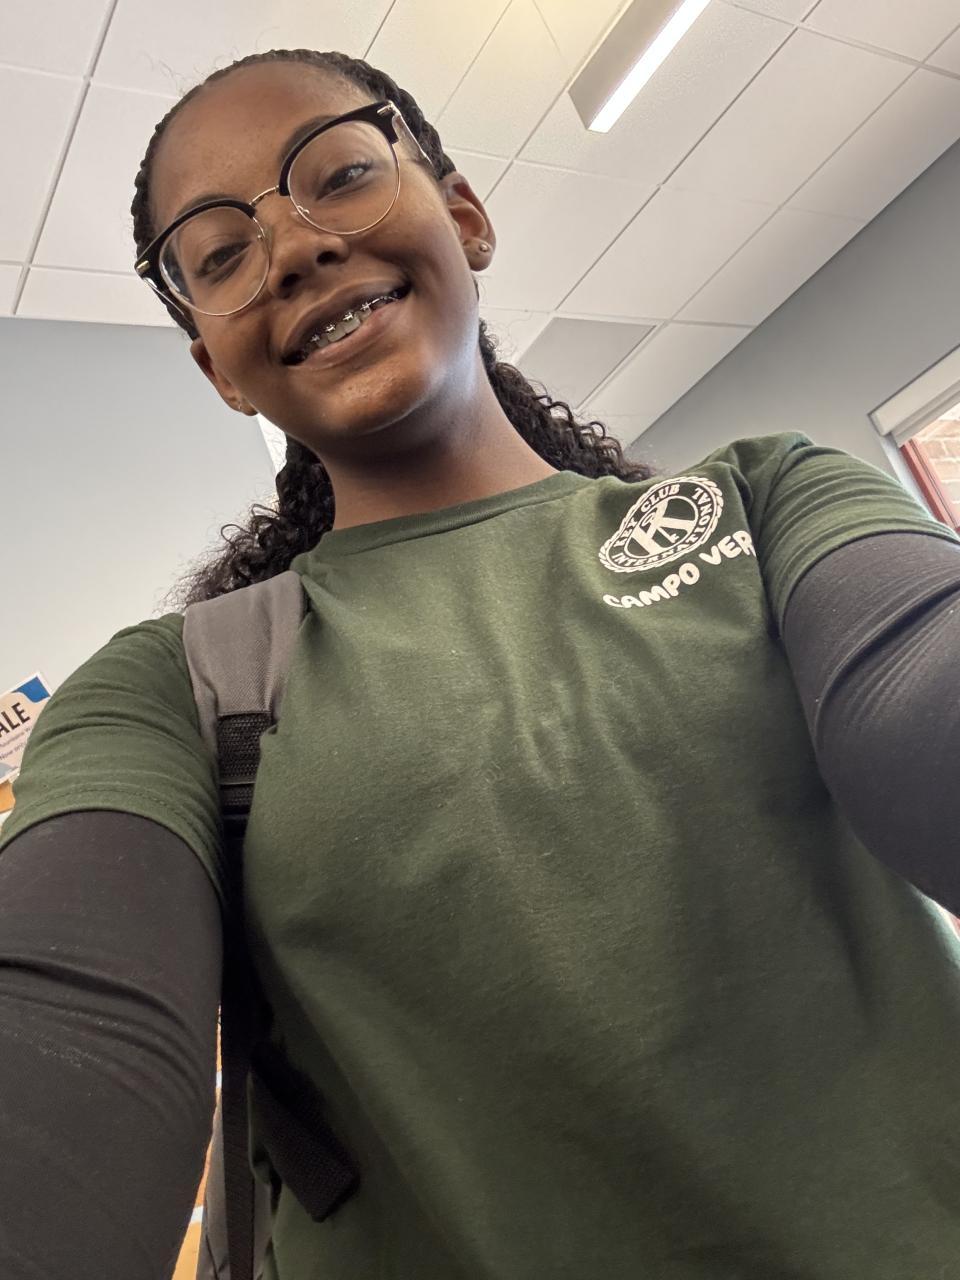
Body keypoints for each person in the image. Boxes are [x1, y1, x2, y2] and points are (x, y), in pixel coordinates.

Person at [2, 45, 960, 1280]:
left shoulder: (767, 503)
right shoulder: (168, 692)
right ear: (217, 367)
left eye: (341, 174)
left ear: (464, 214)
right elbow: (65, 1021)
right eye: (223, 254)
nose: (292, 249)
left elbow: (917, 679)